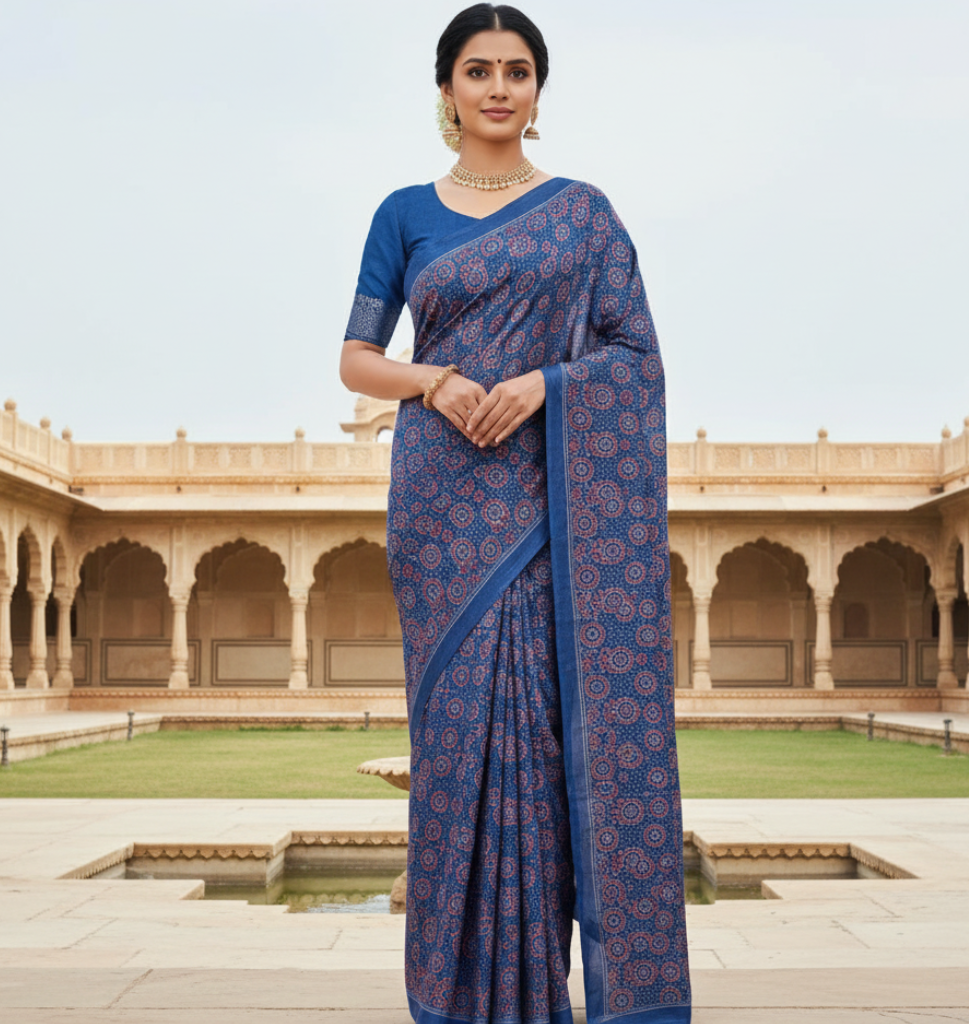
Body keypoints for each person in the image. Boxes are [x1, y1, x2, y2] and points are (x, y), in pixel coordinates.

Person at [339, 5, 691, 1022]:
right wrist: (434, 379)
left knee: (542, 734)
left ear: (538, 90)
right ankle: (461, 996)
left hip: (552, 503)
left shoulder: (583, 213)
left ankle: (545, 992)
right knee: (457, 740)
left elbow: (634, 358)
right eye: (478, 70)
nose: (499, 88)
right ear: (445, 87)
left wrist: (544, 382)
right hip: (442, 505)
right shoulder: (403, 212)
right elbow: (356, 357)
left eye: (518, 71)